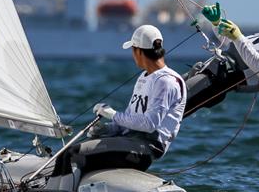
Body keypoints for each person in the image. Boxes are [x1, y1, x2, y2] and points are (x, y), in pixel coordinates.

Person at [63, 25, 187, 175]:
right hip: (129, 141)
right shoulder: (144, 77)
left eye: (133, 50)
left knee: (72, 154)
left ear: (139, 51)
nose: (132, 55)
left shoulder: (166, 81)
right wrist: (107, 129)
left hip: (144, 148)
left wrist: (112, 114)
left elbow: (149, 124)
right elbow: (130, 119)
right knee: (66, 154)